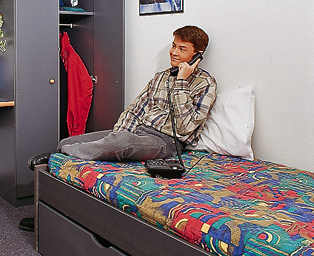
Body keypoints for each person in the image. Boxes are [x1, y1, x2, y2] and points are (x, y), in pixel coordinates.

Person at [19, 25, 217, 231]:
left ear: (198, 55)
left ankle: (56, 157)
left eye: (182, 49)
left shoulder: (206, 84)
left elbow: (185, 127)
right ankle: (45, 213)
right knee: (69, 141)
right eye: (174, 46)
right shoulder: (161, 77)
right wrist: (118, 134)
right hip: (138, 132)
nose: (174, 52)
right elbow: (135, 110)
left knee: (121, 142)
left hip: (166, 142)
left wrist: (181, 82)